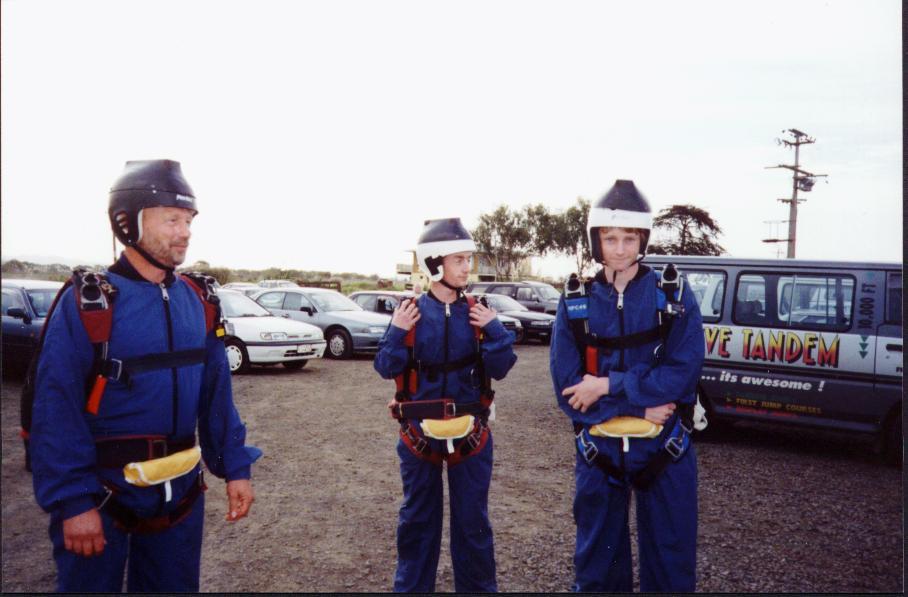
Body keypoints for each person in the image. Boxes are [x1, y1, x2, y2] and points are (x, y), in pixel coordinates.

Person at [29, 160, 259, 592]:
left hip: (180, 498)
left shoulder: (200, 301)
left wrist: (235, 468)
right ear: (128, 222)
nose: (185, 232)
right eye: (172, 219)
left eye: (189, 220)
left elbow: (216, 396)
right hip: (102, 497)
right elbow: (54, 409)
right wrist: (74, 501)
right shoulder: (89, 303)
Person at [549, 180, 704, 592]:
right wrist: (637, 406)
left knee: (671, 569)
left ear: (643, 241)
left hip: (665, 449)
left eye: (629, 239)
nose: (619, 249)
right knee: (597, 572)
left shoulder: (673, 295)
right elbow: (568, 389)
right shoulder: (576, 302)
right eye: (610, 238)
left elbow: (682, 373)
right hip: (598, 452)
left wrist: (605, 385)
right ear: (596, 241)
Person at [374, 218, 517, 592]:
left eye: (469, 259)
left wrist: (494, 328)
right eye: (459, 260)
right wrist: (397, 331)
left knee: (474, 527)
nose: (467, 267)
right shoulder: (410, 314)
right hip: (418, 438)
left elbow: (501, 368)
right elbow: (385, 366)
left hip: (472, 437)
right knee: (417, 525)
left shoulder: (478, 312)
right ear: (434, 263)